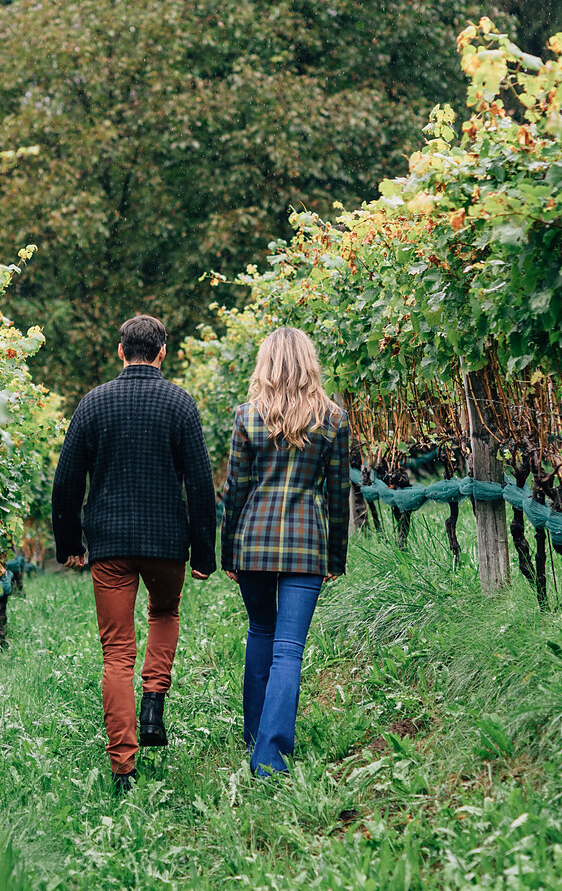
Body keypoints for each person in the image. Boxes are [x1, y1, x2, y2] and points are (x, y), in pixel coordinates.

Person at [50, 315, 216, 794]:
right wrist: (204, 553)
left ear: (121, 351)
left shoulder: (93, 403)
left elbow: (66, 481)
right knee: (164, 614)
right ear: (163, 352)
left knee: (117, 652)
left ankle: (123, 767)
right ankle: (153, 703)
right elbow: (201, 485)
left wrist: (70, 544)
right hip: (167, 543)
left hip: (110, 546)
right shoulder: (180, 403)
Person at [218, 326, 350, 776]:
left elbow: (235, 490)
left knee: (261, 630)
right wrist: (335, 558)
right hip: (307, 545)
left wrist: (228, 553)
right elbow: (337, 495)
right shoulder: (332, 419)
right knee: (288, 650)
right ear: (309, 364)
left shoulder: (247, 416)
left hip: (253, 542)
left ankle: (254, 735)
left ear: (267, 366)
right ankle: (270, 759)